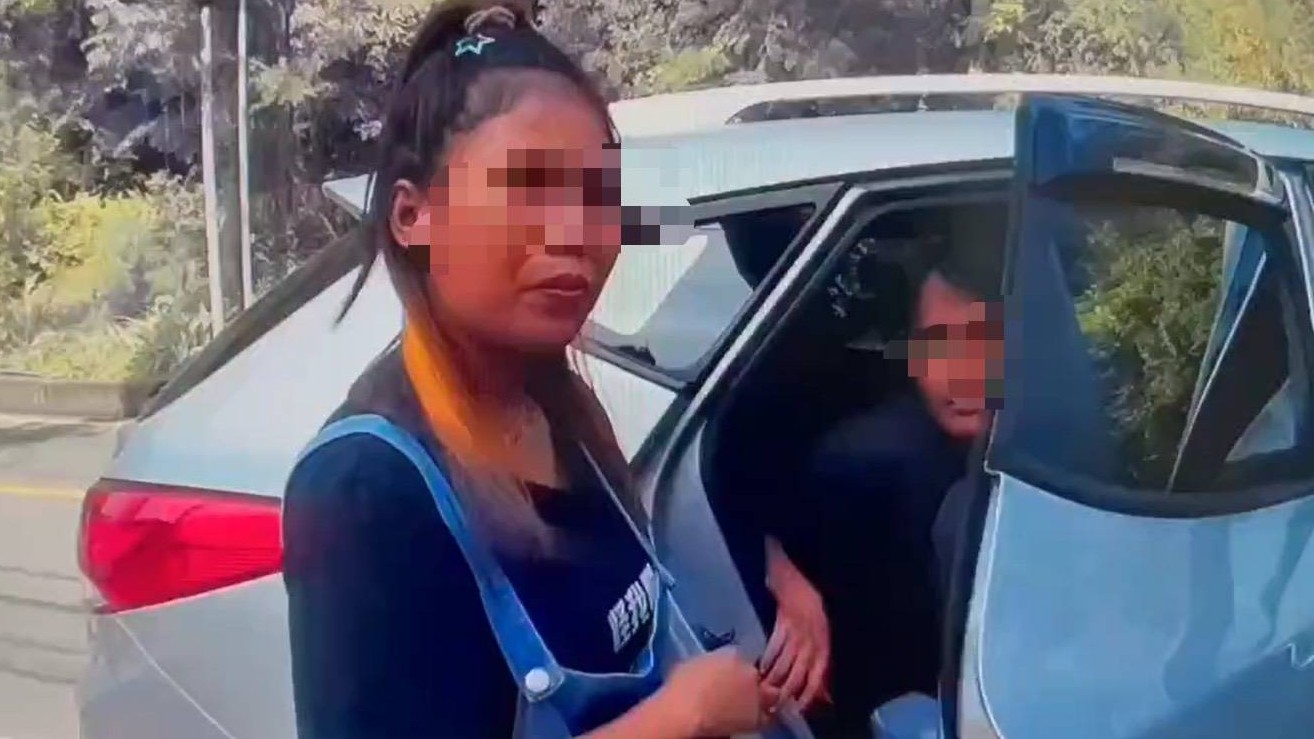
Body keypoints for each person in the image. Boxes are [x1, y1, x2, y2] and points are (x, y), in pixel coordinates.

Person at [280, 2, 777, 737]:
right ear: (412, 216)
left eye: (599, 195)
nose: (576, 233)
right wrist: (685, 715)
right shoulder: (367, 489)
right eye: (528, 187)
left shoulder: (562, 411)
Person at [763, 260, 1003, 736]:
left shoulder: (1073, 447)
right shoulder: (869, 462)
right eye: (937, 347)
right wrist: (782, 568)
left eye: (983, 342)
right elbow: (763, 507)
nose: (961, 374)